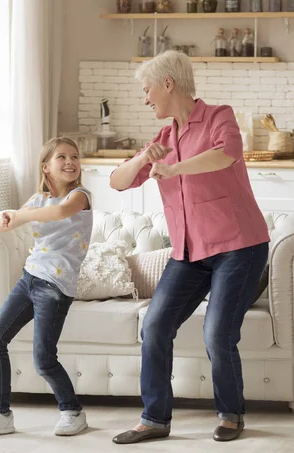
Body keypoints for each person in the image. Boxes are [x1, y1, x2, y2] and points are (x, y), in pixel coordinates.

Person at [109, 50, 270, 444]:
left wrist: (175, 168)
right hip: (188, 253)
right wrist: (145, 158)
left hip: (239, 247)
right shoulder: (162, 138)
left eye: (147, 89)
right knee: (156, 325)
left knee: (217, 332)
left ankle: (231, 414)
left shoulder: (219, 116)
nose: (145, 98)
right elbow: (117, 181)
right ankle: (154, 419)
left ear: (168, 84)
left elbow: (226, 155)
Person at [0, 137, 93, 437]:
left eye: (74, 156)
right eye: (62, 157)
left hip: (56, 286)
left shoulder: (80, 197)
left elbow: (59, 213)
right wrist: (8, 217)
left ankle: (73, 411)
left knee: (43, 359)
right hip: (30, 279)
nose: (71, 161)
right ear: (46, 166)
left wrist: (19, 215)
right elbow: (9, 221)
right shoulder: (37, 200)